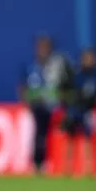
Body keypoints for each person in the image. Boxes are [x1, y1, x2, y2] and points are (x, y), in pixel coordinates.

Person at [20, 35, 73, 175]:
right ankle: (37, 163)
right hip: (37, 106)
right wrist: (26, 100)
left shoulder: (55, 67)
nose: (43, 50)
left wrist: (60, 101)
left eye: (46, 47)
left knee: (51, 134)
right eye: (40, 47)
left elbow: (63, 85)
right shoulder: (31, 67)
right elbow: (23, 87)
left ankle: (55, 164)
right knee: (39, 134)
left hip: (52, 107)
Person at [60, 48, 96, 176]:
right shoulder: (76, 75)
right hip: (74, 109)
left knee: (87, 138)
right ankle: (67, 168)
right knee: (70, 138)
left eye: (91, 58)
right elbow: (66, 91)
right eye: (86, 58)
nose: (88, 61)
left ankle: (88, 168)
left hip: (88, 110)